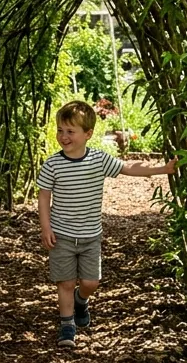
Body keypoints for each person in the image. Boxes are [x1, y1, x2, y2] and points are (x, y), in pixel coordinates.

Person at [38, 100, 178, 348]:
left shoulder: (98, 159)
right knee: (66, 282)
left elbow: (128, 167)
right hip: (62, 235)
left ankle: (82, 300)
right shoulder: (52, 164)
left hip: (91, 235)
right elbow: (44, 197)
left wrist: (162, 169)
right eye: (60, 130)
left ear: (88, 134)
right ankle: (67, 325)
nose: (64, 136)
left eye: (71, 131)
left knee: (91, 283)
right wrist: (46, 227)